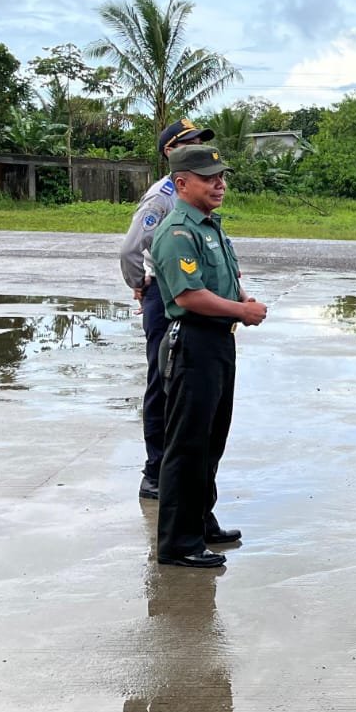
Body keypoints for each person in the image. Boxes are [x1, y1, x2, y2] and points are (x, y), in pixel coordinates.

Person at [150, 143, 268, 569]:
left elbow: (223, 278)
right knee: (188, 445)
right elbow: (188, 295)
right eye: (208, 178)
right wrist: (241, 311)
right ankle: (178, 543)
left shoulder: (209, 227)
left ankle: (200, 521)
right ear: (182, 183)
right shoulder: (177, 232)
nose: (219, 184)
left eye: (221, 177)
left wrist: (242, 298)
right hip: (193, 343)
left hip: (217, 342)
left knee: (211, 440)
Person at [120, 118, 213, 499]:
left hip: (194, 291)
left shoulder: (200, 188)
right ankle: (154, 472)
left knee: (187, 383)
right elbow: (131, 248)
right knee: (163, 380)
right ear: (170, 152)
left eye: (200, 142)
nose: (198, 148)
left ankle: (179, 468)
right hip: (165, 293)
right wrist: (140, 284)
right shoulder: (162, 196)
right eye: (189, 143)